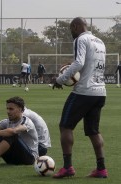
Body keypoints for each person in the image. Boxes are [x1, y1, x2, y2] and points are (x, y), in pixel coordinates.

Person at [52, 17, 108, 178]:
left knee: (65, 126)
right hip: (100, 92)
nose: (71, 33)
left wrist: (60, 79)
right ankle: (101, 169)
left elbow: (78, 63)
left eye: (71, 29)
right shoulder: (100, 41)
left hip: (84, 91)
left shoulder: (80, 39)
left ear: (76, 26)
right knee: (93, 131)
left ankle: (68, 167)